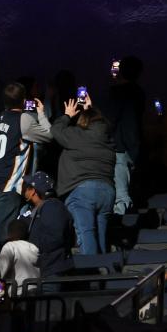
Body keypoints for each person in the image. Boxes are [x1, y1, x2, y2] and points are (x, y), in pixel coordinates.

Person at [0, 83, 52, 272]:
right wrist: (41, 113)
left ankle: (7, 274)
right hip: (8, 187)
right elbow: (49, 135)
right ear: (23, 99)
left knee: (13, 232)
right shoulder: (23, 118)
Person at [53, 97, 116, 255]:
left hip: (82, 192)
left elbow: (55, 130)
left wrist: (67, 115)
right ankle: (103, 276)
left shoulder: (77, 135)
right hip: (107, 193)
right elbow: (103, 124)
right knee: (101, 239)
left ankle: (92, 275)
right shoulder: (108, 139)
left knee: (86, 234)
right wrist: (90, 109)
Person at [102, 55, 145, 215]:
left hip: (119, 148)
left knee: (120, 194)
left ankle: (119, 228)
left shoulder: (118, 93)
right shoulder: (138, 92)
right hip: (130, 147)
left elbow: (111, 120)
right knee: (123, 190)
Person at [22, 172, 74, 281]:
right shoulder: (37, 209)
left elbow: (54, 237)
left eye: (27, 187)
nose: (24, 190)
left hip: (51, 271)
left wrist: (30, 249)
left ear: (33, 191)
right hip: (40, 270)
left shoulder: (52, 206)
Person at [0, 219, 39, 294]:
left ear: (9, 233)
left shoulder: (10, 246)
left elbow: (0, 269)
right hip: (35, 291)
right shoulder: (34, 248)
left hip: (19, 293)